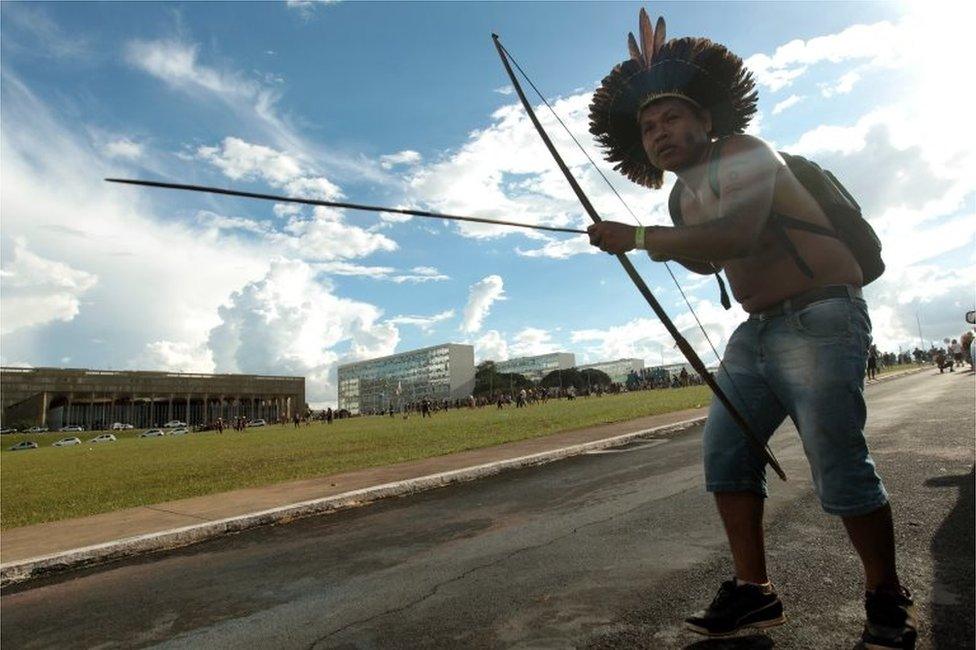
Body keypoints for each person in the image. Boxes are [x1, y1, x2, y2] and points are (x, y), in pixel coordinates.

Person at [585, 9, 914, 649]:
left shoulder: (746, 154)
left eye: (673, 116)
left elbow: (738, 233)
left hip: (822, 313)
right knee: (726, 454)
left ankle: (885, 594)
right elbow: (709, 256)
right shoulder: (680, 199)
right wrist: (640, 242)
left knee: (838, 463)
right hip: (756, 331)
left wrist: (642, 238)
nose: (660, 131)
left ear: (707, 119)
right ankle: (753, 592)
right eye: (649, 126)